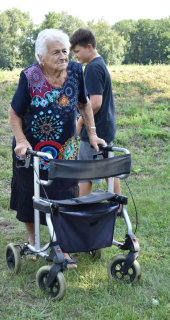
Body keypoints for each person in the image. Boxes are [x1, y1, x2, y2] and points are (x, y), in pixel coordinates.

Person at [9, 29, 105, 269]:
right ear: (41, 57)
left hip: (65, 148)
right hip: (33, 150)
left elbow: (83, 104)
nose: (63, 57)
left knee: (66, 194)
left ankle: (61, 244)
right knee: (29, 193)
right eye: (56, 53)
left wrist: (92, 134)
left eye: (65, 51)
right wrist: (21, 141)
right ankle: (34, 242)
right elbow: (14, 113)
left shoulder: (75, 71)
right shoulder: (29, 76)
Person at [69, 28, 121, 202]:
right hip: (105, 126)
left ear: (89, 47)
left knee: (85, 172)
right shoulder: (100, 63)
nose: (75, 56)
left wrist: (80, 123)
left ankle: (80, 209)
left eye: (77, 51)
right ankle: (119, 206)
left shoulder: (92, 68)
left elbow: (96, 102)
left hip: (95, 129)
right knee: (108, 168)